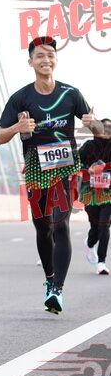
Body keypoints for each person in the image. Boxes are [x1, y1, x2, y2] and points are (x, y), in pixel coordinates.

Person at [0, 36, 95, 314]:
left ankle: (57, 290)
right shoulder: (20, 98)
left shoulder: (71, 94)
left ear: (56, 60)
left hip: (66, 168)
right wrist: (17, 128)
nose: (46, 59)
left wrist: (93, 123)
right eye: (40, 55)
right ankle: (50, 278)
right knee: (43, 228)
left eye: (50, 54)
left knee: (60, 224)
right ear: (31, 62)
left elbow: (98, 129)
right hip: (36, 169)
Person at [78, 117, 111, 275]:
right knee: (95, 228)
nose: (107, 130)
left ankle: (101, 263)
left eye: (110, 128)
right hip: (90, 192)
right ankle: (90, 243)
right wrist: (88, 170)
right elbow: (74, 164)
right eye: (104, 127)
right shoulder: (88, 146)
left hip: (108, 193)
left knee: (104, 225)